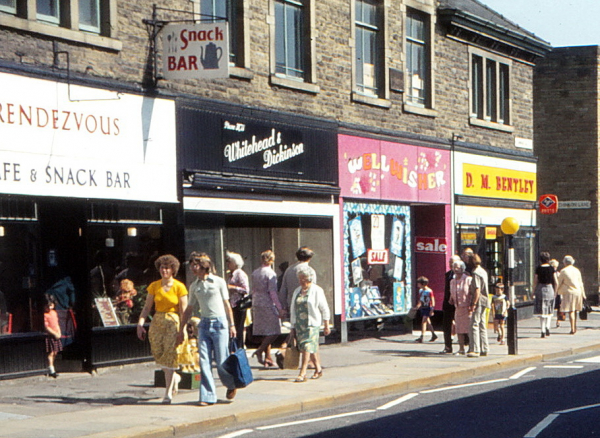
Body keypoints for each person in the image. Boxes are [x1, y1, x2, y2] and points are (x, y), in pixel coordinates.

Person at [178, 252, 238, 406]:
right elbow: (189, 309)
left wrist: (232, 325)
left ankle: (231, 385)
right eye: (191, 265)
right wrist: (181, 329)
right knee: (204, 361)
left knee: (221, 361)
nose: (192, 268)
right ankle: (207, 396)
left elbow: (227, 305)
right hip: (204, 324)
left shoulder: (218, 282)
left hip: (220, 324)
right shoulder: (194, 286)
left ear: (204, 266)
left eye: (195, 265)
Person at [137, 254, 188, 405]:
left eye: (167, 268)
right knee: (158, 352)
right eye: (162, 268)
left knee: (170, 355)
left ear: (173, 270)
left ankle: (167, 393)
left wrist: (183, 329)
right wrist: (140, 323)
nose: (164, 271)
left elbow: (184, 310)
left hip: (173, 322)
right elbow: (147, 307)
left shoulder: (180, 287)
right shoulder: (154, 286)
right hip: (158, 322)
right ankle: (174, 377)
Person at [289, 264, 331, 382]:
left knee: (307, 347)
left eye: (304, 278)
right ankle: (318, 369)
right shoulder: (297, 291)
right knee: (308, 348)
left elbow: (324, 308)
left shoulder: (317, 290)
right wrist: (292, 326)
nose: (302, 281)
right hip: (300, 324)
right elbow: (293, 309)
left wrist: (326, 324)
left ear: (309, 278)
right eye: (300, 278)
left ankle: (302, 373)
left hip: (312, 324)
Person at [251, 250, 283, 368]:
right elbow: (272, 292)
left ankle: (267, 357)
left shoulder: (255, 272)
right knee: (275, 330)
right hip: (267, 302)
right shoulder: (271, 274)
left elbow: (254, 289)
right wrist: (279, 307)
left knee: (265, 331)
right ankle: (261, 350)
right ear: (272, 260)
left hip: (256, 301)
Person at [278, 247, 317, 317]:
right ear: (309, 258)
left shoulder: (289, 270)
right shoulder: (310, 271)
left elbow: (283, 290)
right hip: (307, 305)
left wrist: (283, 307)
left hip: (291, 304)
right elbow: (313, 290)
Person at [466, 254, 490, 358]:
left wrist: (473, 303)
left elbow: (477, 289)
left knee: (474, 324)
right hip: (485, 299)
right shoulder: (483, 271)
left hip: (479, 300)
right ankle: (484, 348)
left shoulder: (475, 273)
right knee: (482, 325)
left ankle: (475, 349)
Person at [556, 255, 586, 335]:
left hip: (569, 293)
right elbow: (581, 283)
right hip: (578, 292)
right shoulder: (577, 271)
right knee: (575, 310)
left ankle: (573, 328)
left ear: (565, 262)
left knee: (571, 311)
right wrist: (583, 294)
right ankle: (575, 326)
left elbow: (559, 283)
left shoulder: (563, 271)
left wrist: (556, 292)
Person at [225, 251, 249, 347]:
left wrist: (232, 287)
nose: (227, 264)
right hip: (232, 304)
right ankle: (233, 347)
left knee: (239, 328)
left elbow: (246, 289)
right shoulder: (231, 274)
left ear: (235, 263)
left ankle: (239, 348)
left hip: (239, 304)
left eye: (229, 261)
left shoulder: (240, 274)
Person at [449, 260, 472, 355]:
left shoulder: (468, 279)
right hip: (458, 308)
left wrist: (472, 305)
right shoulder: (452, 281)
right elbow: (452, 292)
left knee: (469, 328)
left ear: (463, 268)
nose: (456, 269)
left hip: (468, 307)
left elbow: (472, 293)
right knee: (459, 329)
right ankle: (461, 348)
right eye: (454, 267)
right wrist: (451, 298)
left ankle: (471, 347)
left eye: (458, 267)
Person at [534, 251, 558, 338]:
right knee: (549, 308)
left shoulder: (538, 268)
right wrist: (555, 292)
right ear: (548, 259)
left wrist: (533, 290)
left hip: (540, 288)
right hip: (550, 288)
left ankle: (542, 330)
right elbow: (556, 282)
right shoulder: (552, 269)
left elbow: (535, 281)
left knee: (541, 311)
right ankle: (548, 326)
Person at [441, 255, 461, 354]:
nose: (450, 264)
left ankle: (464, 344)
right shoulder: (447, 274)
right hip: (447, 304)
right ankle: (448, 346)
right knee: (446, 325)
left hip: (458, 303)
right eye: (450, 262)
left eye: (452, 262)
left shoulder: (462, 275)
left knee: (461, 324)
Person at [43, 294, 62, 378]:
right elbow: (46, 327)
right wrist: (54, 333)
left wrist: (59, 332)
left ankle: (51, 366)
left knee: (55, 352)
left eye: (51, 305)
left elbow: (57, 324)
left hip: (56, 335)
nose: (49, 308)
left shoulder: (54, 313)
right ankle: (51, 369)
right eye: (47, 306)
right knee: (51, 352)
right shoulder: (45, 315)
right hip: (50, 335)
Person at [415, 276, 437, 343]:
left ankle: (422, 336)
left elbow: (432, 300)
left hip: (428, 307)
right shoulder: (421, 291)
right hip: (423, 307)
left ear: (422, 284)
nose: (418, 285)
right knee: (428, 321)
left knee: (424, 321)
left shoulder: (429, 291)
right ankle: (433, 334)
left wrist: (432, 309)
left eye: (419, 283)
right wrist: (417, 306)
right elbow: (421, 300)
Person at [550, 259, 563, 327]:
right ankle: (552, 320)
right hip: (553, 291)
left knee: (559, 306)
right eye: (553, 266)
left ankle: (558, 320)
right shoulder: (555, 273)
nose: (554, 268)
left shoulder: (558, 273)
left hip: (557, 291)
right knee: (553, 306)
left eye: (555, 266)